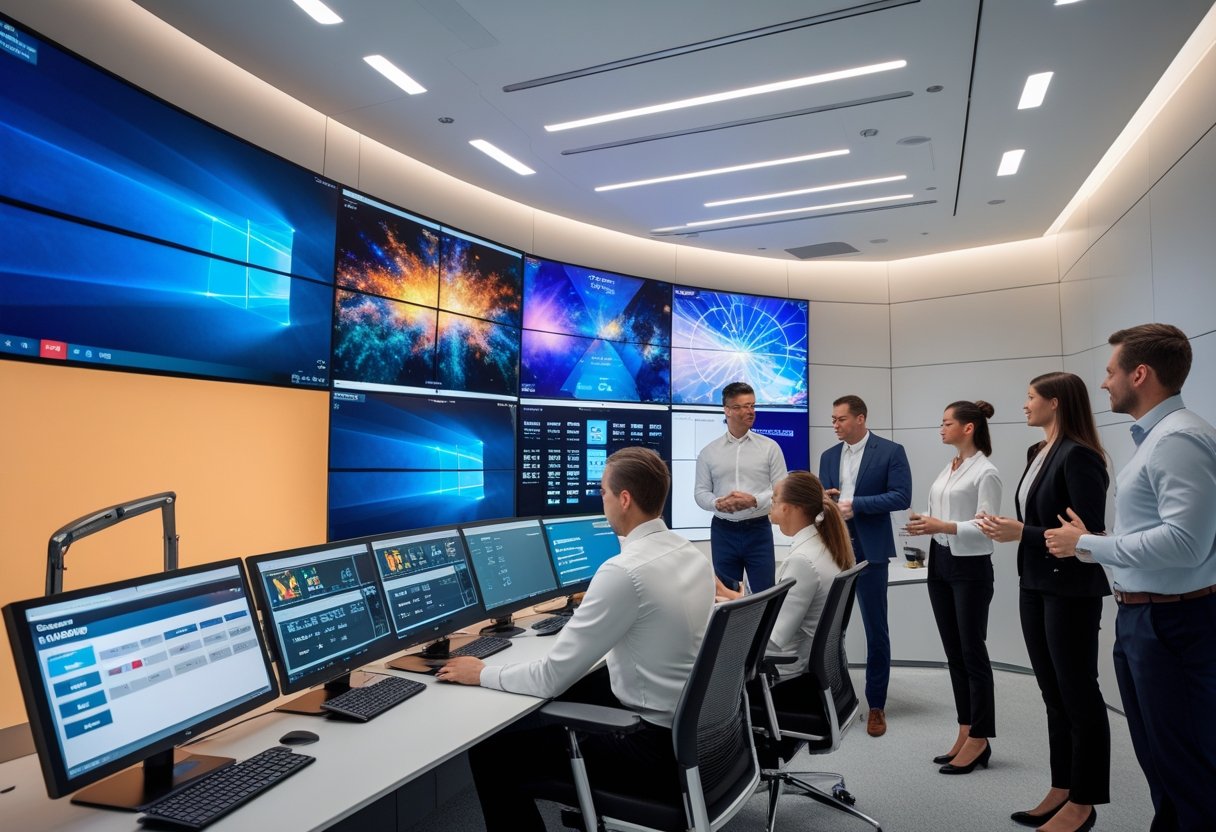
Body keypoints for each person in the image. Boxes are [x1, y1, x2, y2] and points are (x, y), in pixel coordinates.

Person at [438, 447, 714, 832]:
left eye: (602, 492)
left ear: (624, 499)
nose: (600, 501)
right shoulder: (691, 555)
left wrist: (481, 671)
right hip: (697, 736)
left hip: (650, 748)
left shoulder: (623, 572)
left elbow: (551, 676)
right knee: (586, 685)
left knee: (491, 753)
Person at [1045, 324, 1216, 832]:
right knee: (1162, 761)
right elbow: (1158, 534)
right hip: (1148, 616)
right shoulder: (1158, 438)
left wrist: (1090, 545)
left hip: (1174, 622)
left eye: (1110, 371)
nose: (1104, 383)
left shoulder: (1178, 438)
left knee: (1186, 766)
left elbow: (1186, 544)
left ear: (1140, 374)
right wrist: (1095, 543)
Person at [978, 373, 1109, 832]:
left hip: (1070, 588)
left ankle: (1085, 800)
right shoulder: (1038, 452)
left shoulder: (1082, 456)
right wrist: (1012, 526)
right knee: (1053, 693)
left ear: (1055, 403)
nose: (1025, 405)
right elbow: (1043, 520)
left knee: (1078, 693)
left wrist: (1022, 533)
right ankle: (1062, 786)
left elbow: (1087, 538)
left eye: (1031, 398)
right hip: (1034, 583)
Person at [905, 401, 1002, 775]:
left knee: (972, 652)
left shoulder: (986, 472)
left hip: (971, 566)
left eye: (947, 423)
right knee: (954, 653)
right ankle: (966, 729)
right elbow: (942, 518)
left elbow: (987, 525)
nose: (941, 429)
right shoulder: (951, 466)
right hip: (941, 562)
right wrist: (927, 527)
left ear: (969, 428)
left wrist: (941, 527)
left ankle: (981, 737)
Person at [818, 394, 911, 737]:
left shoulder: (890, 451)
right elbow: (823, 504)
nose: (835, 425)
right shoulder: (828, 456)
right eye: (833, 419)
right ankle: (836, 701)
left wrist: (855, 504)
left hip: (871, 552)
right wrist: (826, 500)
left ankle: (876, 705)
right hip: (835, 552)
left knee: (876, 631)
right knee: (831, 632)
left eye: (840, 419)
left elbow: (901, 496)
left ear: (860, 418)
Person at [716, 471, 855, 691]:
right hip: (806, 664)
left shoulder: (802, 561)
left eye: (775, 499)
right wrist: (739, 598)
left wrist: (732, 616)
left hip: (783, 672)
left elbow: (773, 638)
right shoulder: (822, 546)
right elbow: (786, 610)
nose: (770, 503)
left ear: (791, 508)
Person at [694, 381, 788, 592]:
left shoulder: (770, 448)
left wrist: (754, 501)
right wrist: (718, 503)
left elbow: (782, 491)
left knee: (766, 593)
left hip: (759, 529)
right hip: (723, 531)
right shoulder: (709, 452)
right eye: (742, 406)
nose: (750, 411)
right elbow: (700, 493)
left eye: (752, 406)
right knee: (726, 594)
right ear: (727, 410)